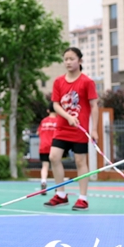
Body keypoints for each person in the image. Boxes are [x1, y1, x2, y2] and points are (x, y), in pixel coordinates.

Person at [44, 47, 99, 211]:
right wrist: (68, 117)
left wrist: (94, 129)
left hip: (79, 130)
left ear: (80, 61)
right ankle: (61, 195)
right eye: (65, 59)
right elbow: (55, 104)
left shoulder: (87, 82)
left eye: (71, 59)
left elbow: (94, 106)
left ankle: (83, 198)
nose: (68, 62)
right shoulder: (58, 82)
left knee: (80, 161)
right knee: (54, 157)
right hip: (62, 128)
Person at [37, 109, 59, 195]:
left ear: (48, 110)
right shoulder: (58, 121)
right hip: (55, 146)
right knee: (56, 166)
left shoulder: (44, 121)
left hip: (43, 146)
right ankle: (58, 186)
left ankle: (43, 182)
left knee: (45, 166)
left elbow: (38, 132)